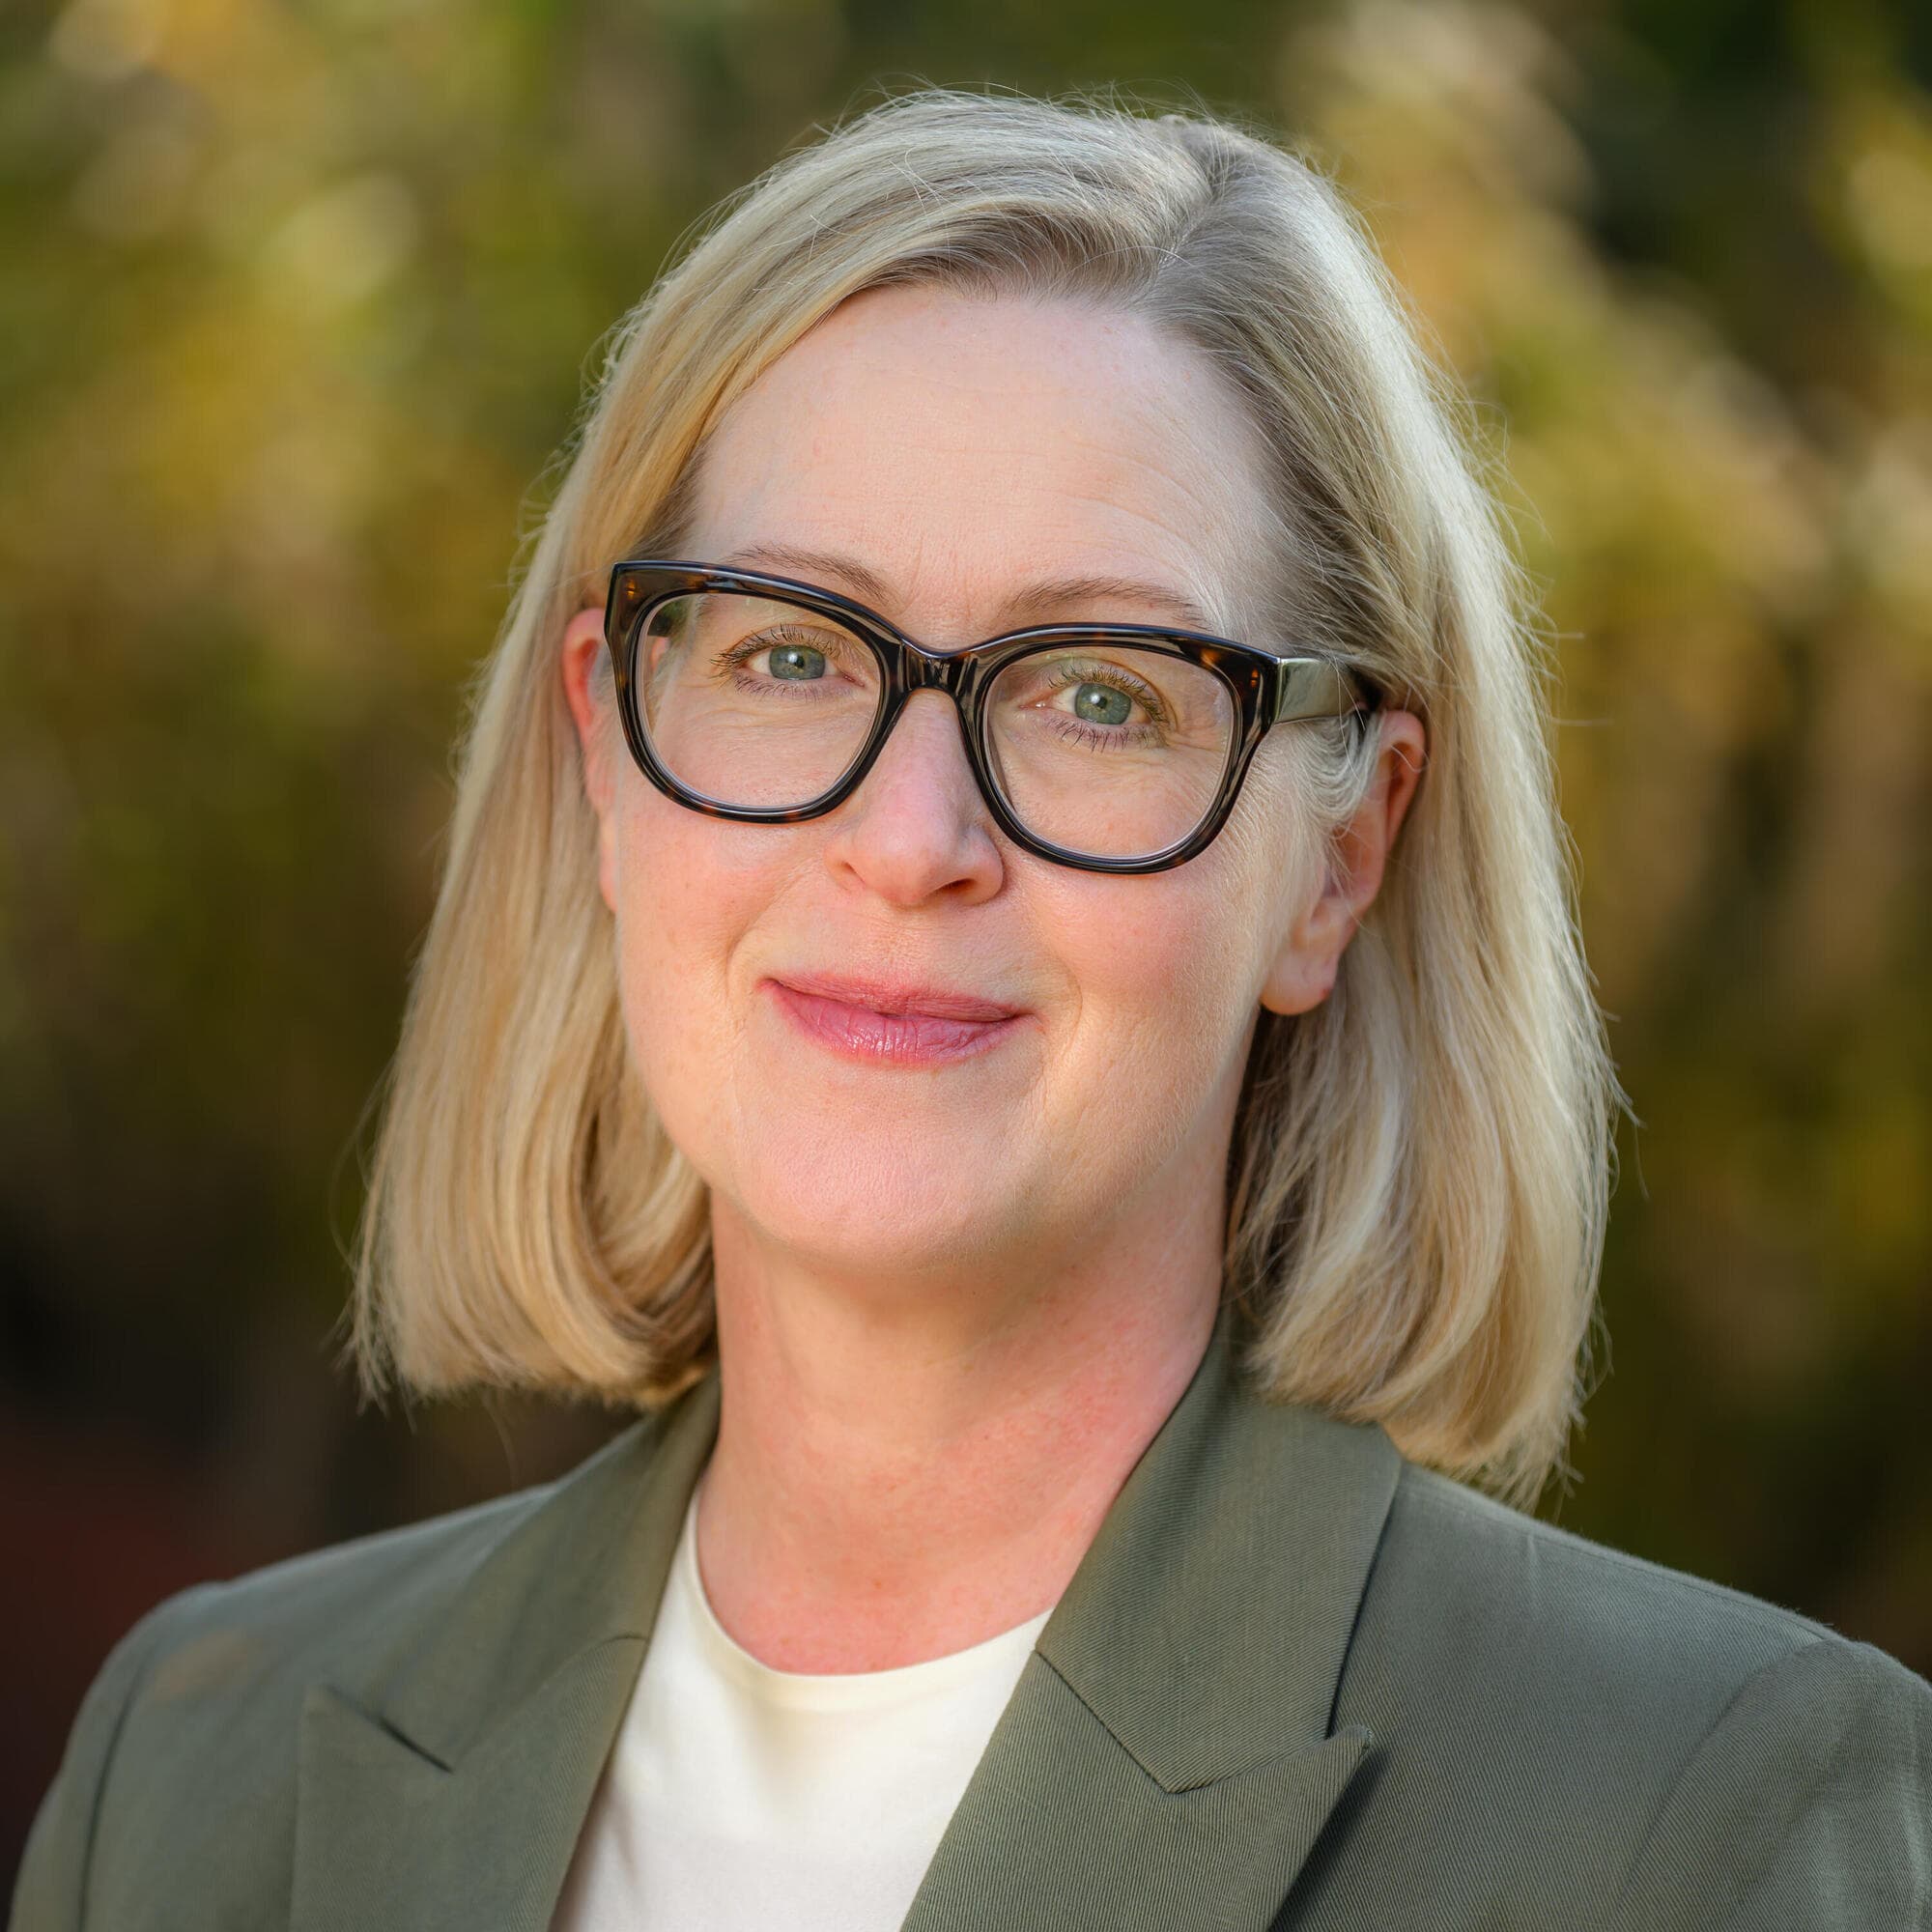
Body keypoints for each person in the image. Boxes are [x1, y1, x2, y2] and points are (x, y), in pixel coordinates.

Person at [13, 84, 1930, 1932]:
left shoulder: (1705, 1820)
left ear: (1338, 859)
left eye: (1099, 692)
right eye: (781, 651)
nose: (906, 837)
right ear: (605, 750)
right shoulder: (200, 1767)